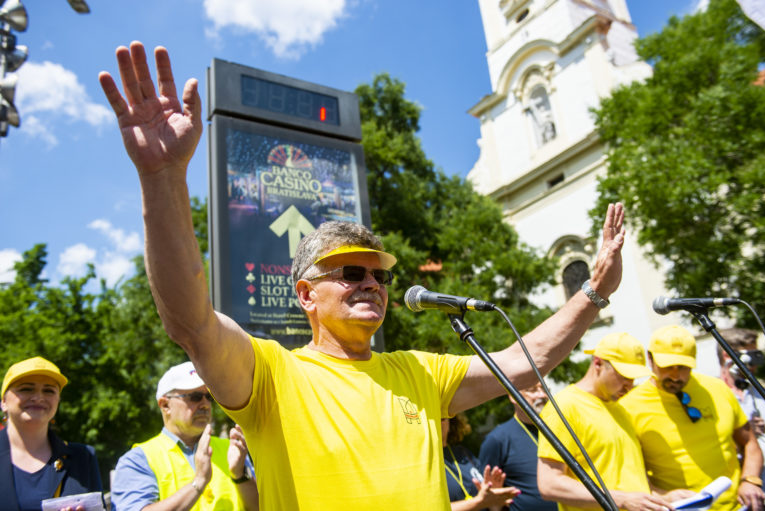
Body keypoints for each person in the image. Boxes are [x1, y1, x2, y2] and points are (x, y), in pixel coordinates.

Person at [98, 40, 626, 510]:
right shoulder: (270, 374)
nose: (371, 283)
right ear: (306, 293)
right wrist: (162, 177)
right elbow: (189, 319)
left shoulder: (418, 373)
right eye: (352, 272)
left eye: (380, 276)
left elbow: (520, 362)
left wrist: (593, 292)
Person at [537, 332, 690, 511]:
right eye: (624, 375)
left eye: (633, 378)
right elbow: (550, 484)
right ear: (598, 363)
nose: (629, 385)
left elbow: (629, 486)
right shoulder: (564, 406)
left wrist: (665, 497)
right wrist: (622, 499)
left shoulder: (621, 410)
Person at [621, 325, 765, 511]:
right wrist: (662, 496)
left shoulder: (717, 389)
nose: (675, 375)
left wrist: (751, 480)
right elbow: (630, 475)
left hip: (737, 507)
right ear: (650, 359)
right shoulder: (628, 407)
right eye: (667, 366)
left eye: (683, 367)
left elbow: (750, 443)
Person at [111, 361, 258, 511]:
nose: (205, 404)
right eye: (195, 397)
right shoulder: (138, 459)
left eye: (209, 396)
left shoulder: (232, 449)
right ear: (165, 405)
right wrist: (198, 482)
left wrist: (240, 476)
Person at [0, 356, 103, 509]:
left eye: (48, 391)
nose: (38, 397)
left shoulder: (83, 457)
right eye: (26, 389)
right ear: (3, 401)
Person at [479, 382, 557, 511]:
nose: (541, 394)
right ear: (513, 396)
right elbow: (488, 500)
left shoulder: (560, 430)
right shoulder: (498, 439)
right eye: (532, 389)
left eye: (544, 388)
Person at [719, 327, 765, 489]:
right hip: (747, 487)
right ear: (727, 356)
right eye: (749, 358)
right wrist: (746, 433)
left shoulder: (761, 389)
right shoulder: (715, 395)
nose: (753, 365)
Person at [442, 414, 519, 510]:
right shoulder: (420, 464)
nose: (437, 422)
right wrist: (479, 502)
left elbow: (490, 505)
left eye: (442, 418)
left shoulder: (462, 453)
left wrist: (495, 500)